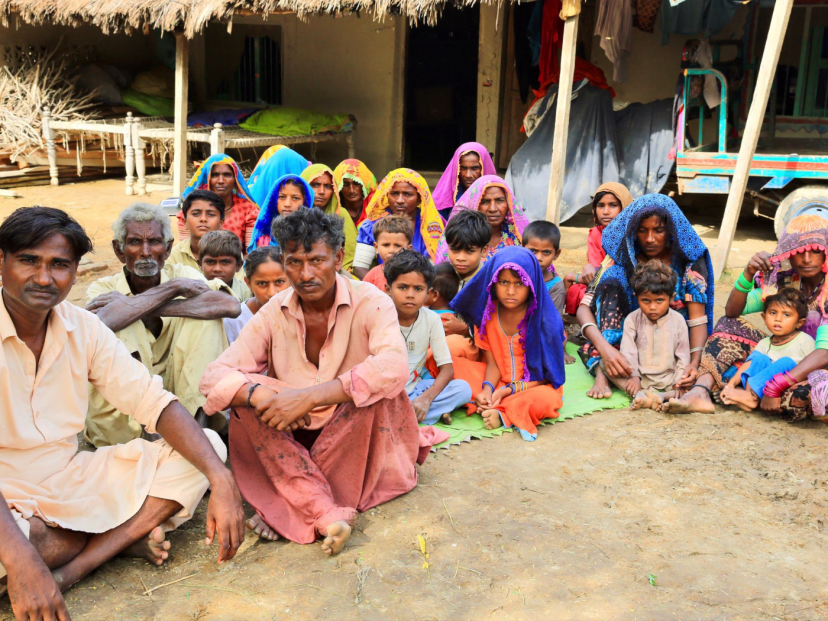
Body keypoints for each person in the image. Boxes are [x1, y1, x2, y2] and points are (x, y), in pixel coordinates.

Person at [0, 207, 245, 620]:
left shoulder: (82, 327)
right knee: (31, 545)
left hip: (66, 478)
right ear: (1, 262)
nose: (44, 278)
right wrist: (22, 556)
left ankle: (77, 563)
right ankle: (95, 541)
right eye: (29, 261)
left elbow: (153, 403)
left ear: (75, 272)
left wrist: (221, 479)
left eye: (59, 265)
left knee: (207, 451)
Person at [200, 209, 446, 555]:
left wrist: (309, 398)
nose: (306, 273)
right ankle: (325, 511)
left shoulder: (372, 301)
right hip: (295, 429)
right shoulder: (273, 311)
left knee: (374, 392)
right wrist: (261, 396)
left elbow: (393, 366)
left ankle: (290, 507)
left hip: (355, 432)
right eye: (295, 262)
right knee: (241, 398)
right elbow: (213, 377)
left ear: (339, 257)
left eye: (316, 260)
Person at [84, 203, 241, 447]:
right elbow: (104, 321)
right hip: (127, 416)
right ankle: (149, 440)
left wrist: (138, 305)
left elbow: (229, 306)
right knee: (121, 326)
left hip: (180, 389)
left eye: (154, 242)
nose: (146, 252)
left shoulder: (182, 274)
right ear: (119, 250)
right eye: (135, 242)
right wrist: (172, 289)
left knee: (206, 322)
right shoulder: (103, 288)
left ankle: (197, 432)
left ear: (167, 249)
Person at [664, 215, 828, 418]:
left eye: (816, 250)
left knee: (809, 394)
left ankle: (746, 393)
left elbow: (823, 353)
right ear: (788, 253)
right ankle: (701, 391)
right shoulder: (784, 281)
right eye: (799, 251)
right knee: (728, 326)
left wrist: (777, 386)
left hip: (815, 366)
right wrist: (749, 273)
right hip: (776, 354)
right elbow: (732, 311)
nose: (806, 259)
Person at [577, 194, 713, 400]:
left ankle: (616, 375)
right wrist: (606, 350)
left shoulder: (689, 263)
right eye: (642, 231)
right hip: (626, 344)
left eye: (658, 230)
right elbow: (583, 308)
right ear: (633, 231)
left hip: (673, 344)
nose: (650, 239)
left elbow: (697, 320)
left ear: (671, 230)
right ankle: (604, 370)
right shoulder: (619, 258)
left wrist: (694, 362)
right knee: (612, 278)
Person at [451, 246, 566, 441]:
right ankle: (489, 402)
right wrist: (488, 389)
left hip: (534, 387)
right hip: (498, 381)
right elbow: (493, 364)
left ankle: (503, 413)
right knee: (449, 363)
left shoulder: (545, 321)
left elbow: (549, 377)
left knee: (540, 400)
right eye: (503, 282)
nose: (510, 291)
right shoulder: (488, 314)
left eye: (519, 283)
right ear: (493, 282)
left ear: (531, 283)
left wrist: (508, 390)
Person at [384, 250, 472, 426]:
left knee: (463, 389)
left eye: (418, 289)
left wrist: (426, 398)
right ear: (388, 289)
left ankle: (405, 416)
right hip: (385, 392)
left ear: (428, 293)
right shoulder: (379, 317)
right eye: (402, 287)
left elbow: (447, 369)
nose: (410, 295)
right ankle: (413, 417)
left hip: (415, 389)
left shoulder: (431, 320)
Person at [611, 260, 691, 409]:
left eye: (659, 300)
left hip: (670, 381)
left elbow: (683, 356)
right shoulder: (632, 320)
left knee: (692, 380)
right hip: (639, 380)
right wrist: (634, 376)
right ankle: (640, 395)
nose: (652, 307)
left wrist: (678, 382)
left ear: (671, 298)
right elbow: (628, 352)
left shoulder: (679, 320)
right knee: (605, 363)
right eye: (645, 300)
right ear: (637, 297)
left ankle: (662, 396)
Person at [720, 289, 815, 412]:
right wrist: (731, 384)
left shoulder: (804, 340)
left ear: (799, 323)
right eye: (773, 313)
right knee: (760, 359)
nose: (778, 319)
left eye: (786, 315)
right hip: (761, 389)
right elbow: (749, 364)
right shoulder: (764, 343)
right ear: (764, 318)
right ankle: (750, 397)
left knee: (786, 362)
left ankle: (749, 399)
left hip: (786, 387)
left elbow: (814, 368)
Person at [352, 169, 444, 280]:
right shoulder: (372, 223)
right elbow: (359, 267)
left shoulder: (432, 225)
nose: (400, 200)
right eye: (394, 193)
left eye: (407, 194)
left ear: (420, 198)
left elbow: (434, 268)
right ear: (386, 195)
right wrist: (384, 287)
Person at [564, 183, 633, 315]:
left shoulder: (632, 233)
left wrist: (577, 275)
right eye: (601, 206)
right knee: (576, 291)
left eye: (613, 205)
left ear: (624, 207)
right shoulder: (596, 233)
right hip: (599, 278)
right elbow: (595, 269)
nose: (606, 211)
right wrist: (588, 268)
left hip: (626, 282)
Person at [435, 175, 529, 266]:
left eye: (499, 200)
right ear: (474, 204)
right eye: (485, 202)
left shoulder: (518, 236)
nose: (493, 209)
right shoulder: (460, 234)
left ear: (508, 203)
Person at [178, 154, 259, 250]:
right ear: (206, 179)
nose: (221, 181)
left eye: (227, 175)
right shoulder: (191, 212)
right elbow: (186, 250)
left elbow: (251, 252)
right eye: (214, 175)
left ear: (235, 180)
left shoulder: (248, 210)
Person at [522, 220, 574, 364]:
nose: (539, 257)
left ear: (556, 254)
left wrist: (558, 348)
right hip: (516, 325)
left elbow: (554, 320)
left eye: (546, 252)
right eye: (533, 251)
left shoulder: (556, 285)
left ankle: (559, 349)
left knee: (560, 336)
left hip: (542, 327)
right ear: (522, 248)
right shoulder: (516, 277)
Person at [223, 246, 289, 345]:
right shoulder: (235, 320)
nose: (272, 293)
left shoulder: (302, 314)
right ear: (249, 283)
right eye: (262, 283)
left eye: (279, 282)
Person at [302, 164, 357, 272]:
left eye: (327, 186)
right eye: (316, 185)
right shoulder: (295, 215)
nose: (321, 191)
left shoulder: (341, 214)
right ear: (304, 186)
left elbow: (352, 252)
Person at [247, 174, 313, 251]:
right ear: (274, 200)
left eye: (295, 198)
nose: (287, 204)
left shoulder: (313, 237)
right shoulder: (264, 239)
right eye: (282, 197)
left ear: (306, 202)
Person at [432, 143, 497, 220]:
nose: (468, 175)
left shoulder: (498, 195)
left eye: (475, 168)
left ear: (484, 168)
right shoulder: (444, 196)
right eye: (463, 168)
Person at [168, 190, 226, 271]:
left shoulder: (230, 253)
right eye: (196, 214)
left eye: (211, 214)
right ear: (185, 222)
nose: (203, 219)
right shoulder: (173, 256)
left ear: (221, 223)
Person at [198, 229, 252, 302]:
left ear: (238, 266)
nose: (217, 269)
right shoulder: (192, 291)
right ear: (200, 264)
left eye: (225, 262)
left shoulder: (248, 292)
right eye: (210, 262)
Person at [362, 216, 413, 291]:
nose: (391, 250)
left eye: (397, 245)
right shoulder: (372, 276)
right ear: (376, 247)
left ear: (408, 249)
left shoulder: (414, 274)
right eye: (386, 245)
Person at [333, 158, 377, 225]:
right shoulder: (334, 206)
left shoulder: (373, 203)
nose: (351, 190)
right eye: (345, 185)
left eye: (356, 183)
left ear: (364, 185)